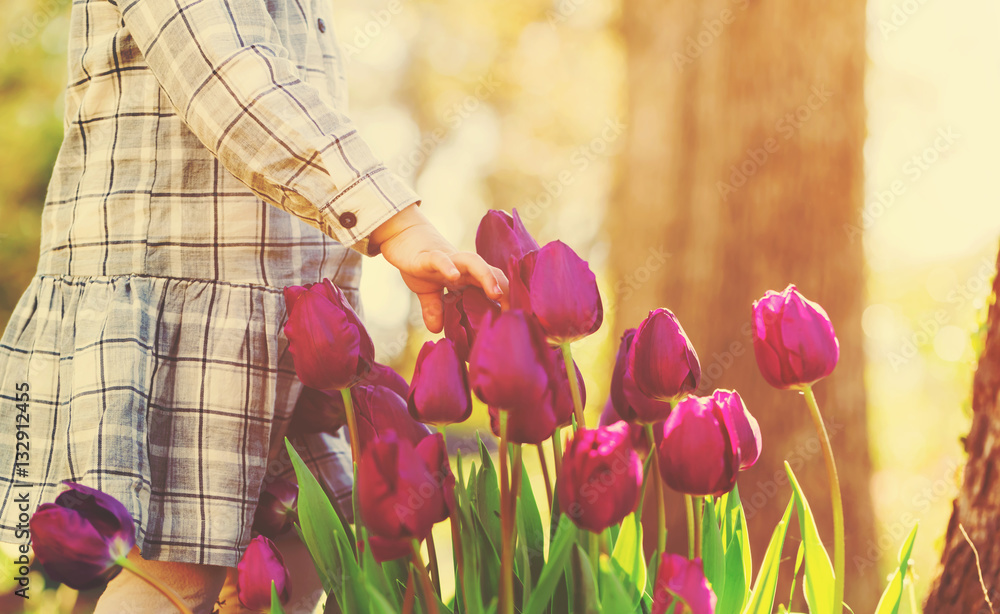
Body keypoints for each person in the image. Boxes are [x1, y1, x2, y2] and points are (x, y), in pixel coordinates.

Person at [0, 0, 506, 611]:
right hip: (178, 317)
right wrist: (395, 223)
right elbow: (231, 81)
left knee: (307, 544)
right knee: (173, 574)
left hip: (276, 320)